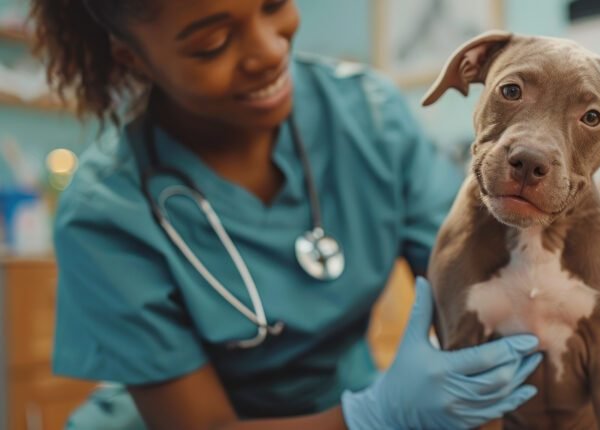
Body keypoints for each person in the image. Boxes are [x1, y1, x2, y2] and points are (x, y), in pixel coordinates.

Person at [32, 0, 543, 428]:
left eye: (274, 3)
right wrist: (374, 415)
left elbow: (471, 282)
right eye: (212, 43)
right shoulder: (106, 213)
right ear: (134, 59)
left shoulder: (369, 117)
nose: (269, 50)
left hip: (342, 396)